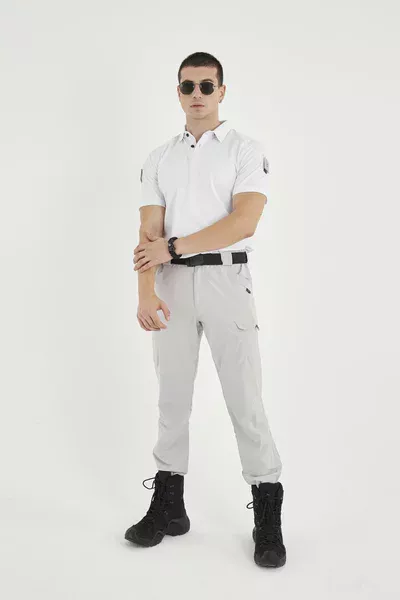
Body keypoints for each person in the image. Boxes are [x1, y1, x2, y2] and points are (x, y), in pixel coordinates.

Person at [124, 52, 286, 568]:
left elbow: (244, 222)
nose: (197, 94)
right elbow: (149, 231)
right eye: (188, 86)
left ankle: (267, 512)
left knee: (245, 399)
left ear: (221, 91)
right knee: (171, 399)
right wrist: (146, 291)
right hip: (171, 284)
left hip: (225, 279)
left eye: (206, 86)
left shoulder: (245, 150)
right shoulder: (160, 157)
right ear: (178, 92)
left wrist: (174, 247)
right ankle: (169, 505)